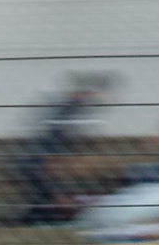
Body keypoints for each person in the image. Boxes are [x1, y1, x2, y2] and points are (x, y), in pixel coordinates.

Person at [10, 76, 113, 226]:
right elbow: (54, 137)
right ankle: (31, 220)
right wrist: (54, 159)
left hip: (39, 160)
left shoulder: (66, 109)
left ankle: (32, 219)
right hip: (37, 160)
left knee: (46, 194)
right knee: (46, 194)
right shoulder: (66, 110)